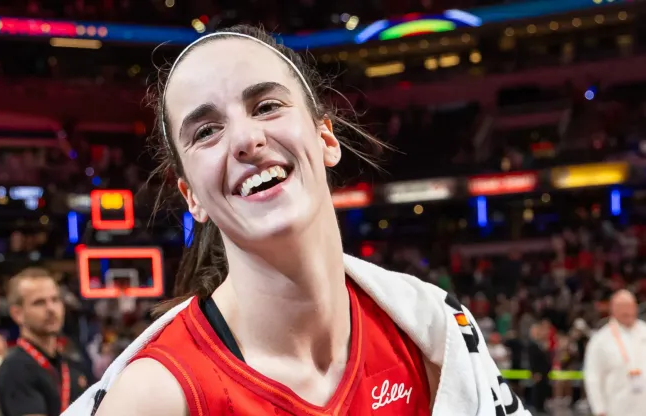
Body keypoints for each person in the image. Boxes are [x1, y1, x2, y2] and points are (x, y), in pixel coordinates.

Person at [66, 25, 529, 416]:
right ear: (192, 198)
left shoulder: (432, 338)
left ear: (326, 137)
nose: (246, 139)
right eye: (206, 131)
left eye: (266, 106)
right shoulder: (157, 396)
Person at [0, 268, 88, 416]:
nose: (51, 308)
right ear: (17, 314)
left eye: (55, 300)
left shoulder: (71, 365)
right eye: (39, 303)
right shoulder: (16, 368)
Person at [584, 289, 646, 416]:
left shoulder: (644, 331)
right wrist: (599, 409)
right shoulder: (600, 339)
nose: (627, 311)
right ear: (612, 309)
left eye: (630, 306)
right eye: (622, 307)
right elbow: (593, 377)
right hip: (617, 407)